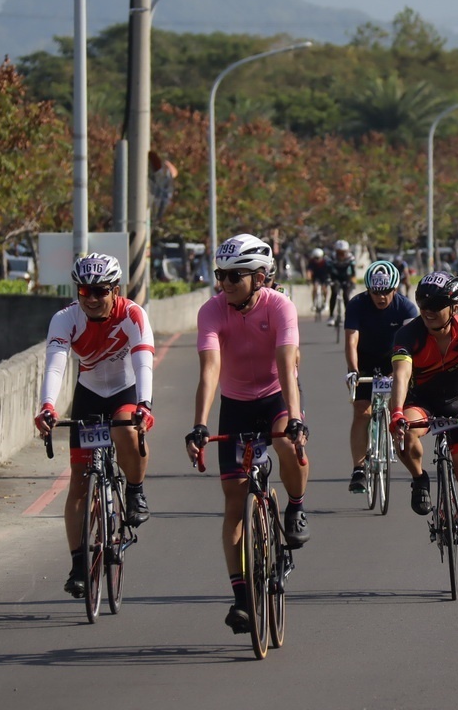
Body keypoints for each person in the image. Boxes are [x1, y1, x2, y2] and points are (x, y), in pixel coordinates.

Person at [184, 234, 309, 635]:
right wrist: (200, 425)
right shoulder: (212, 311)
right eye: (220, 276)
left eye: (234, 277)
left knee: (287, 442)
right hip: (235, 404)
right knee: (234, 503)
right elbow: (209, 371)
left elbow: (288, 365)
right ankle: (240, 596)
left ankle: (295, 506)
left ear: (260, 277)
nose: (225, 284)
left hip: (275, 396)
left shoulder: (280, 306)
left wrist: (294, 417)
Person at [34, 253, 155, 599]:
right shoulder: (65, 319)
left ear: (115, 290)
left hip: (124, 390)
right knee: (78, 481)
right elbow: (55, 366)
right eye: (84, 291)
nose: (91, 298)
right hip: (88, 394)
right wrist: (47, 407)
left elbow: (143, 361)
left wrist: (145, 405)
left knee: (124, 427)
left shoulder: (132, 314)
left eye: (100, 291)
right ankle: (77, 565)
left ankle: (135, 490)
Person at [389, 272, 458, 575]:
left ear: (455, 308)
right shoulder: (408, 335)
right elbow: (401, 376)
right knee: (406, 432)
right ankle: (420, 477)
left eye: (436, 304)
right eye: (423, 302)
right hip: (420, 403)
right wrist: (397, 412)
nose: (428, 310)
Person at [343, 260, 418, 493]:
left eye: (386, 291)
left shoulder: (406, 308)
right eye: (376, 292)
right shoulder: (357, 304)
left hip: (395, 358)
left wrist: (403, 373)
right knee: (362, 411)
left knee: (400, 407)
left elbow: (414, 344)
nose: (381, 297)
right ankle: (358, 468)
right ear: (368, 290)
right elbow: (351, 340)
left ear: (395, 289)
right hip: (365, 360)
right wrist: (353, 370)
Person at [327, 239, 356, 326]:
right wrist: (328, 279)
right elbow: (328, 271)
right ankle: (331, 316)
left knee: (346, 295)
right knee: (334, 292)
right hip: (335, 277)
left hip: (346, 277)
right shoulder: (331, 257)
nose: (341, 255)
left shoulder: (351, 258)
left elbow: (353, 272)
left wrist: (352, 282)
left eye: (343, 253)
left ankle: (348, 316)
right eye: (339, 253)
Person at [306, 247, 330, 313]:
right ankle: (314, 303)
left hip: (324, 277)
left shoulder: (326, 262)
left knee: (324, 288)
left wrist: (329, 278)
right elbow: (309, 271)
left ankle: (325, 302)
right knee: (315, 288)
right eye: (316, 258)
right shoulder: (312, 262)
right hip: (316, 277)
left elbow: (329, 271)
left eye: (318, 258)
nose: (317, 259)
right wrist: (308, 278)